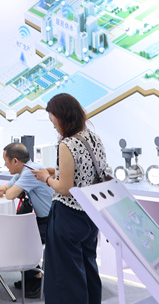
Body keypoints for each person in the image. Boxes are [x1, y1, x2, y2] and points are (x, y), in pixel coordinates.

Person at [30, 93, 106, 304]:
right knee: (88, 268)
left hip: (68, 215)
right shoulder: (94, 138)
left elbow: (66, 188)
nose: (53, 125)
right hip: (90, 214)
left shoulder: (67, 144)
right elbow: (86, 173)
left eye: (53, 120)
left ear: (63, 116)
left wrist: (46, 178)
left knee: (65, 275)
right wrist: (56, 171)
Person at [0, 142, 53, 298]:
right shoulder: (25, 170)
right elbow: (5, 188)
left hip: (50, 221)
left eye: (6, 161)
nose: (5, 164)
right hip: (43, 219)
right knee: (18, 235)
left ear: (15, 161)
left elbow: (10, 194)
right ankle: (31, 277)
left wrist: (6, 191)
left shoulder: (30, 172)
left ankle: (37, 277)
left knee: (21, 240)